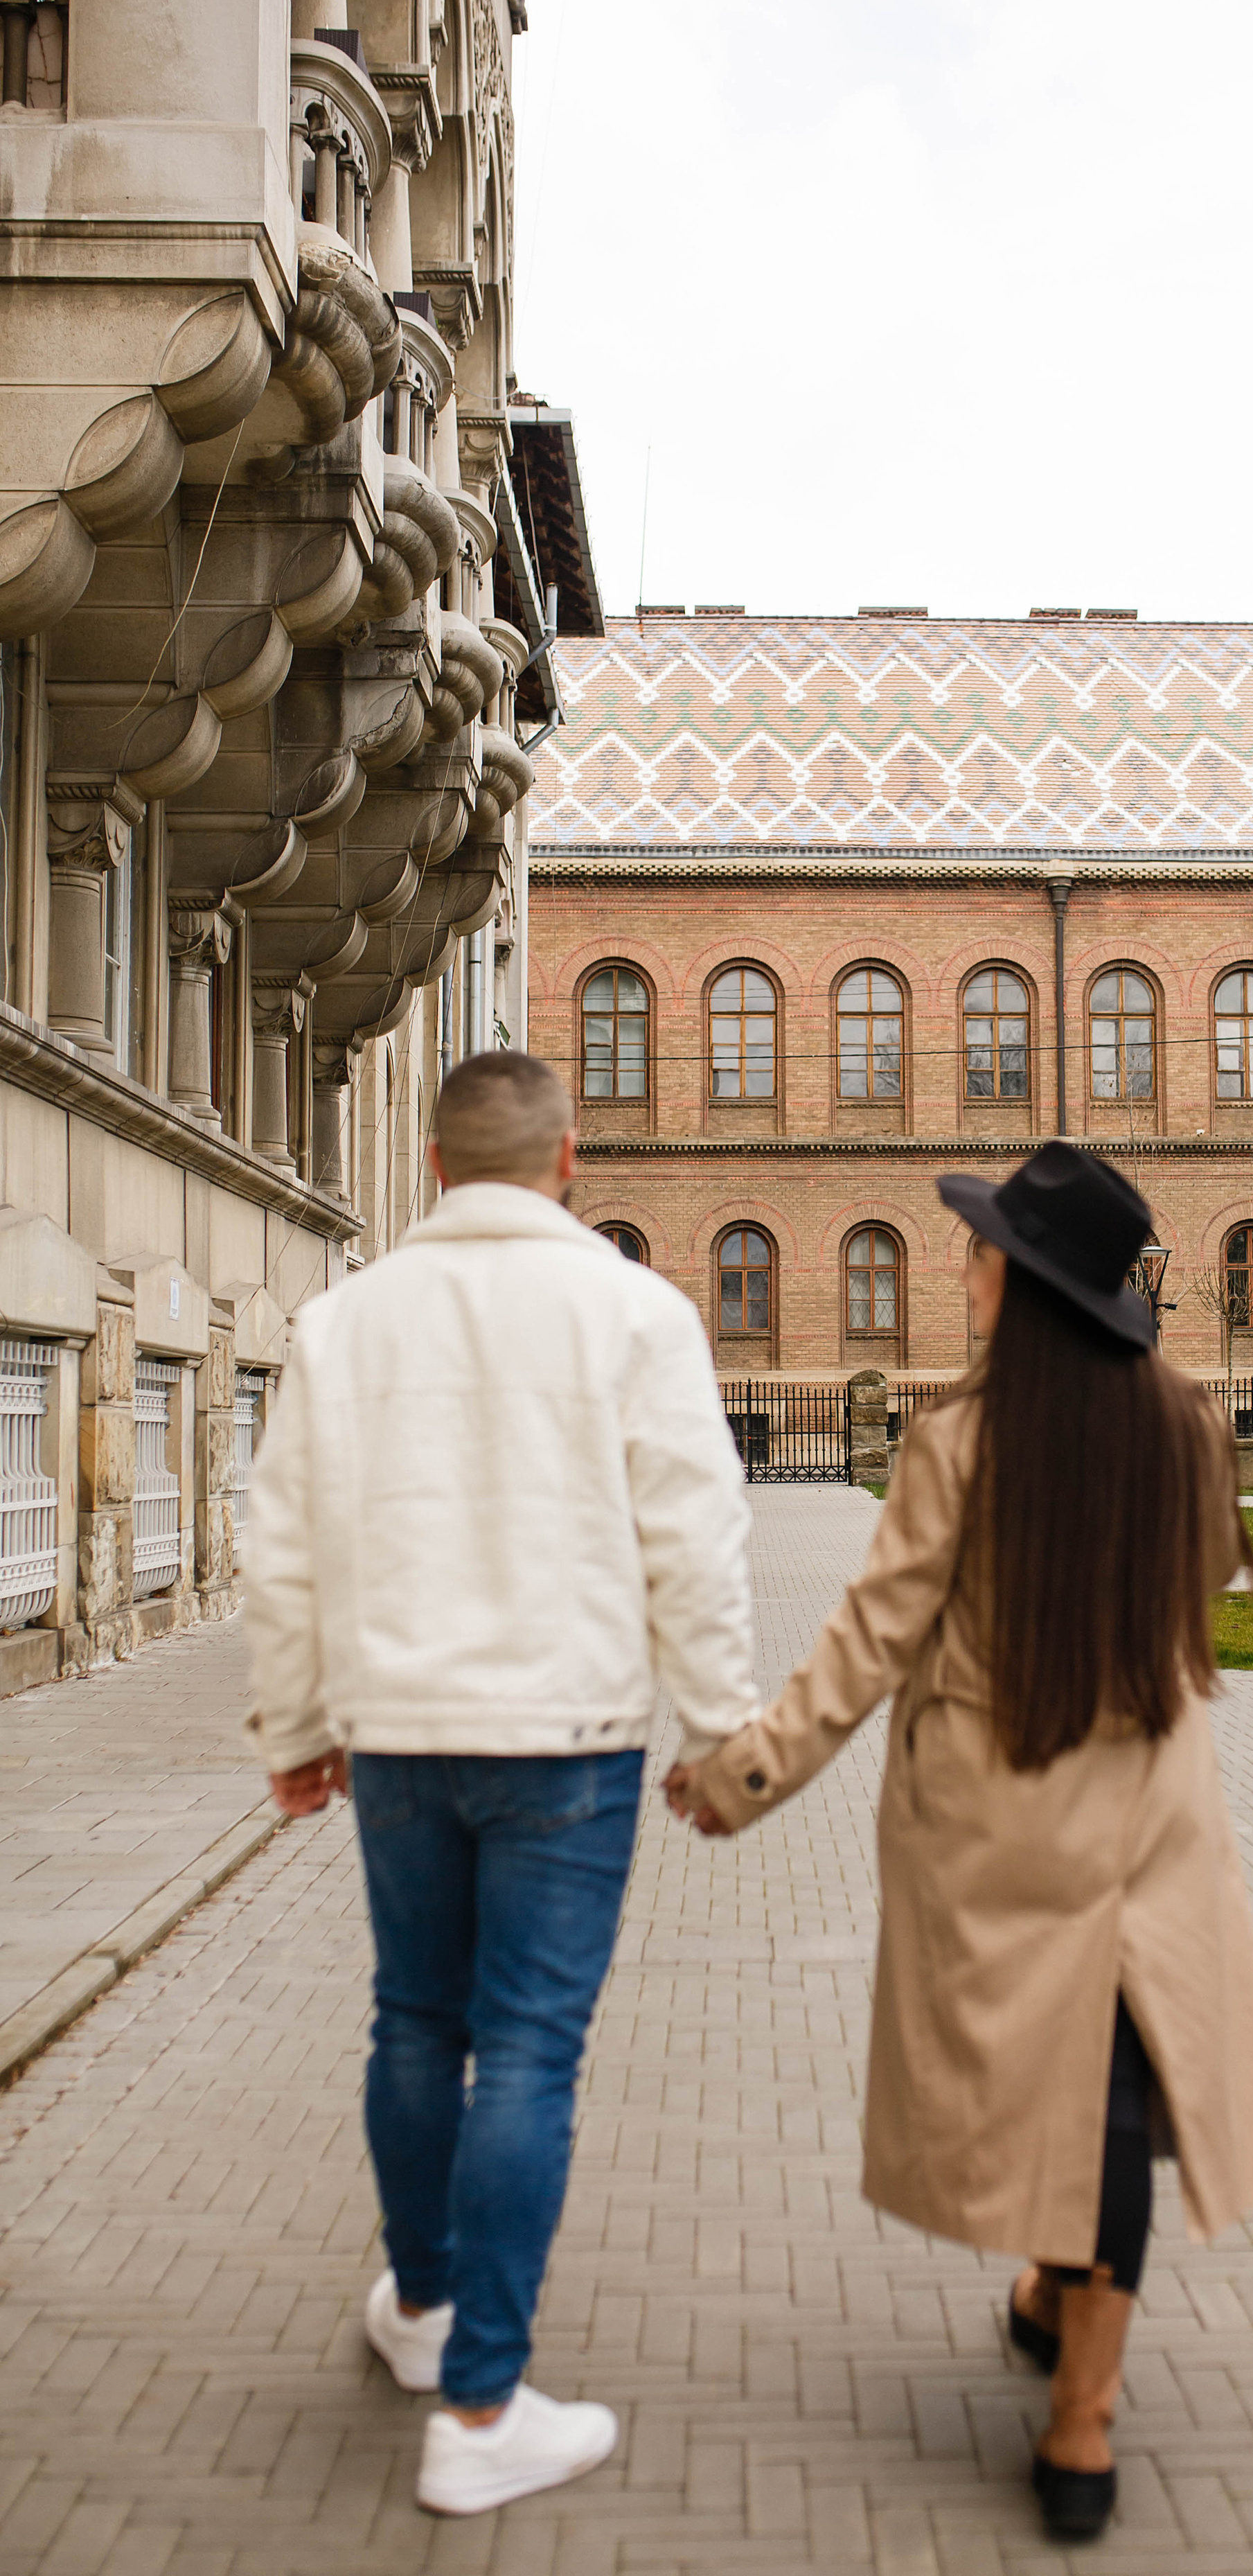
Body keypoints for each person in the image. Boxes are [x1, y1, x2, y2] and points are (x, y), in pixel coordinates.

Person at [666, 1142, 1253, 2546]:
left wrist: (742, 1773)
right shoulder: (1185, 1426)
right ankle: (1077, 2403)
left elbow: (870, 1642)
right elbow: (1189, 1592)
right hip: (1146, 1820)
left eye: (979, 1250)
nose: (962, 1267)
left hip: (998, 1825)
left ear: (1020, 1281)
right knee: (1110, 2096)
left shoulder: (955, 1442)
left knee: (1057, 2084)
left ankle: (1076, 2389)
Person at [244, 1050, 760, 2518]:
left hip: (400, 1732)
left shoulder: (341, 1327)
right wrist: (719, 1732)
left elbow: (280, 1543)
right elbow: (697, 1538)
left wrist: (295, 1727)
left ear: (429, 1164)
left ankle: (421, 2312)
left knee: (414, 2022)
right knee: (527, 2051)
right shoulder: (635, 1316)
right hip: (570, 1738)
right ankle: (480, 2407)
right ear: (569, 1161)